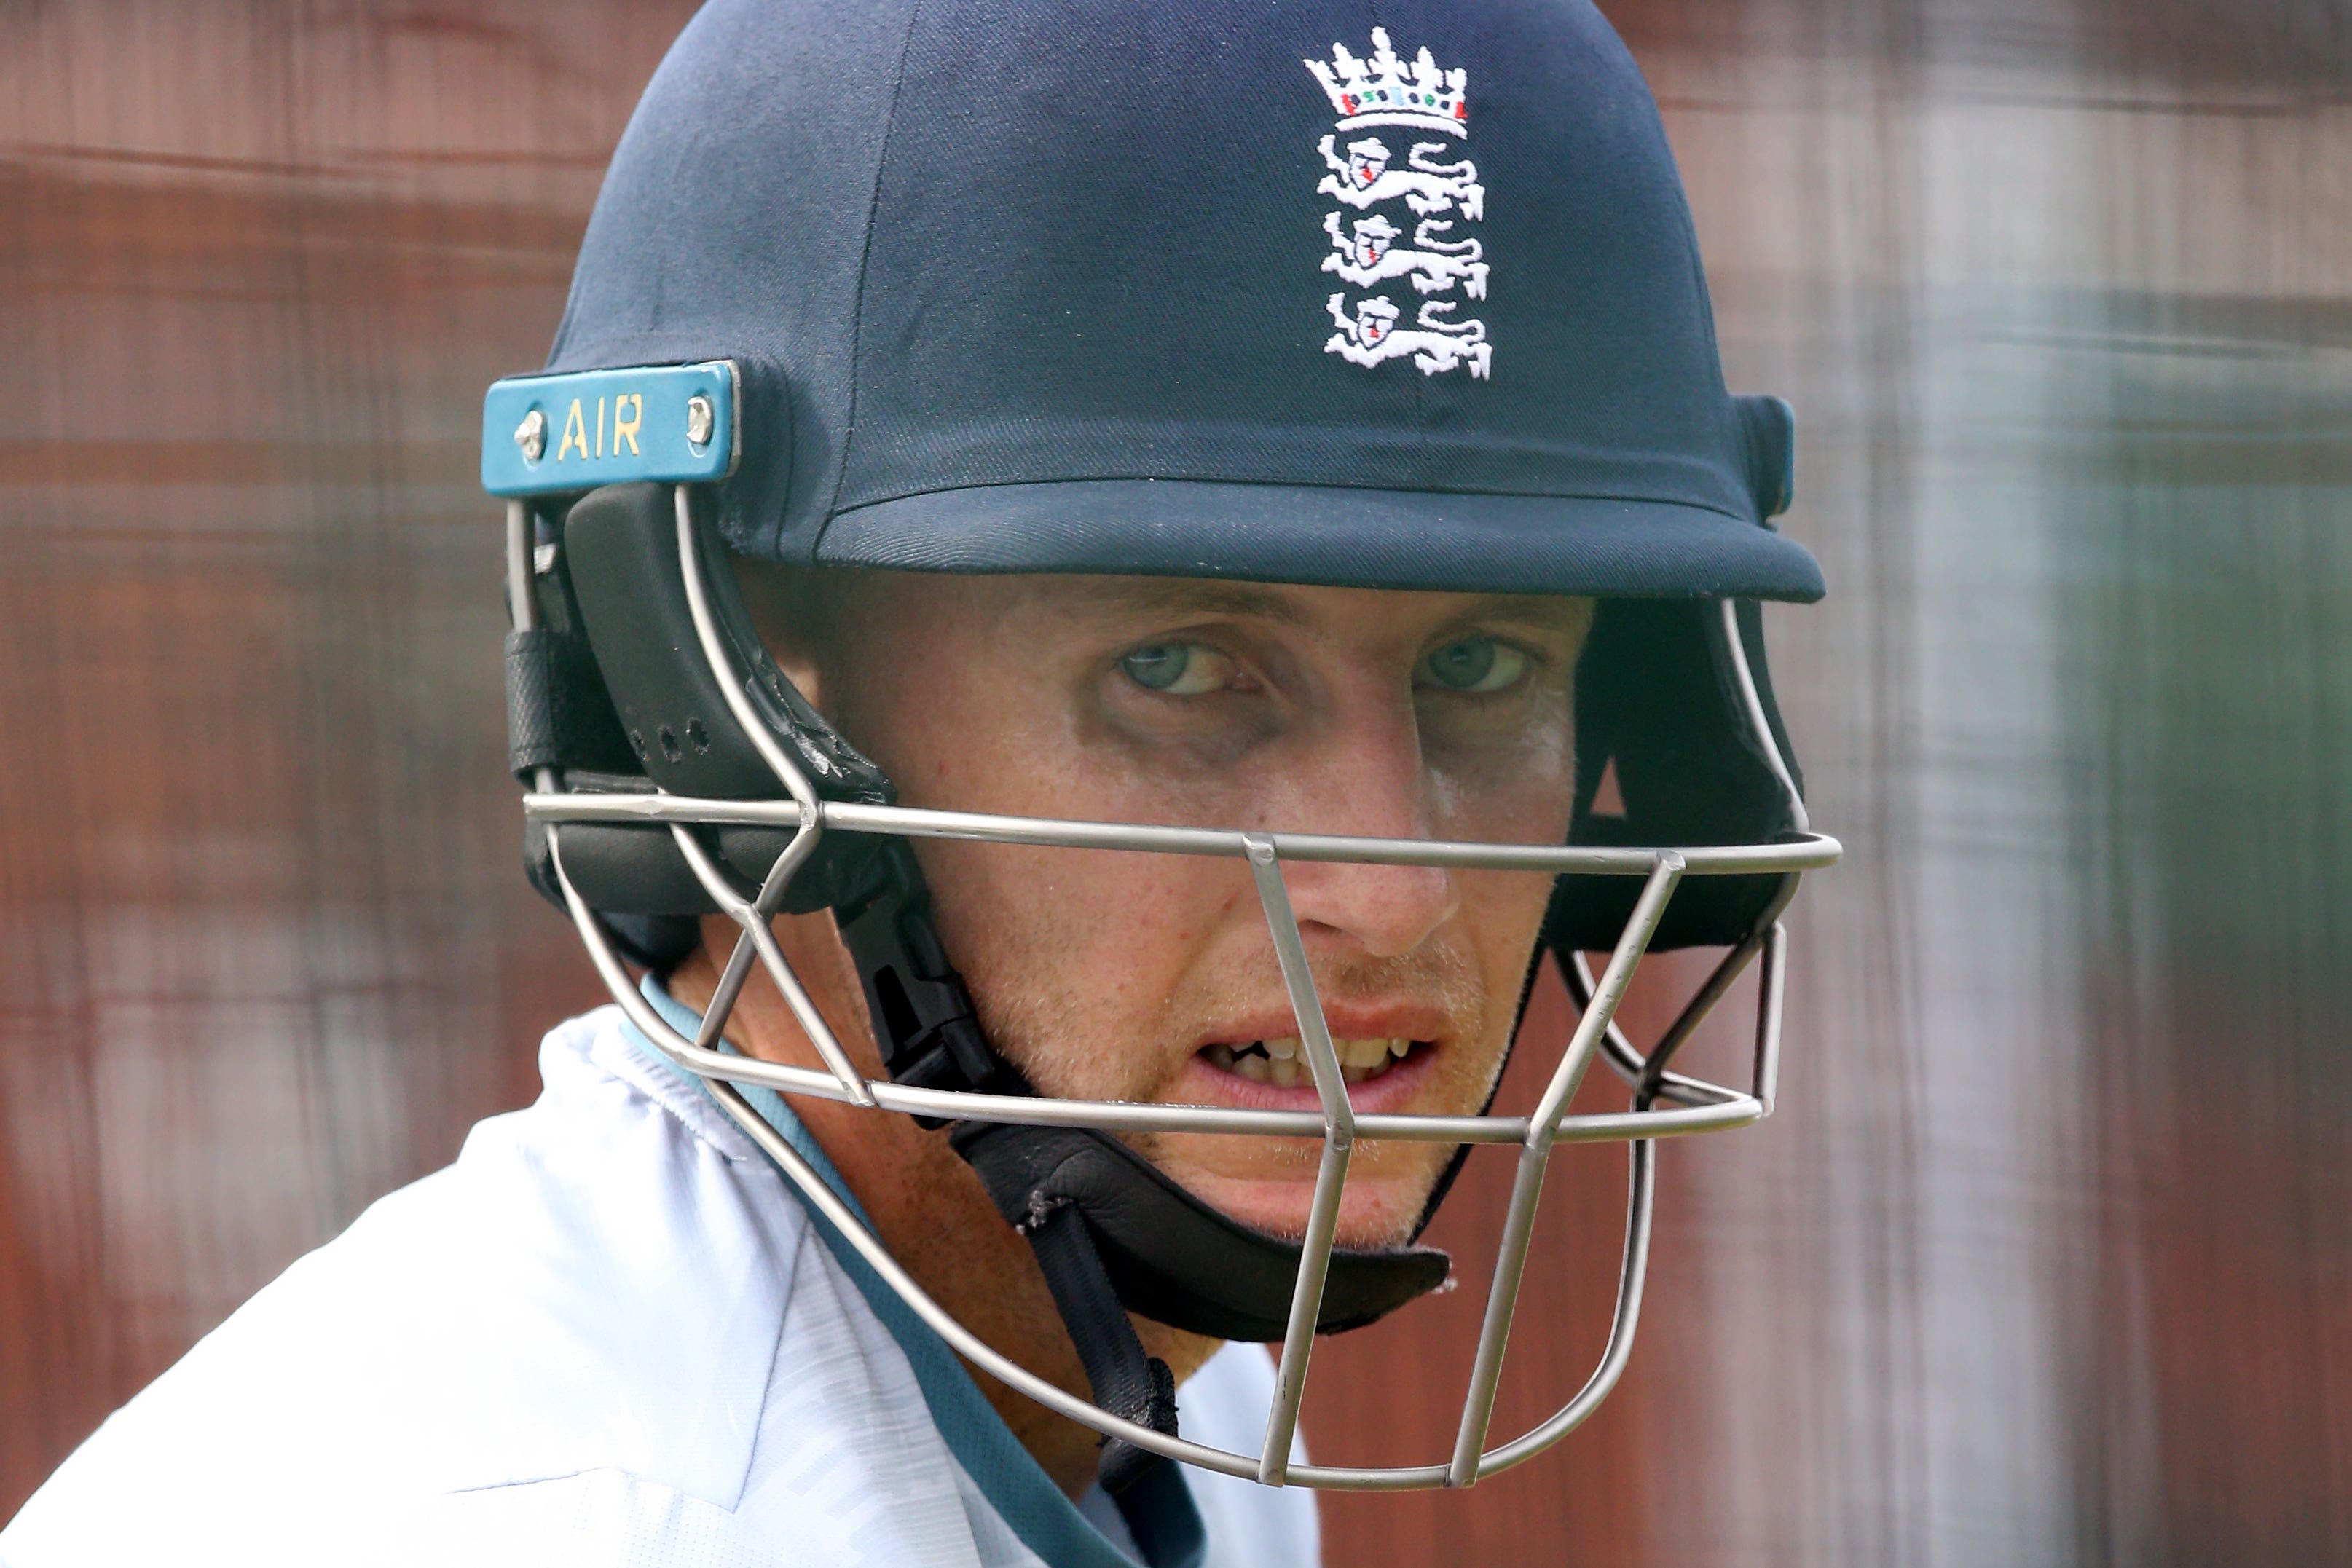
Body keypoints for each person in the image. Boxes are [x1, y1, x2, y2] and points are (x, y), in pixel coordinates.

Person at [0, 3, 1835, 1564]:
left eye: (1476, 668)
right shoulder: (557, 1522)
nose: (1399, 884)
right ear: (741, 695)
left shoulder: (1163, 1404)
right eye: (1180, 670)